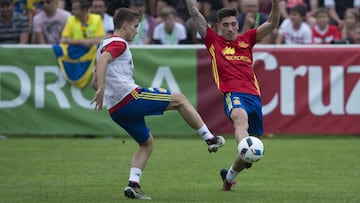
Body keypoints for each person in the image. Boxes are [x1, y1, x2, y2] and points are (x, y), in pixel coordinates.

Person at [90, 7, 225, 199]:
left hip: (115, 109)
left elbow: (94, 80)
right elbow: (104, 63)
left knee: (146, 143)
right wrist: (102, 88)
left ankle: (133, 184)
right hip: (130, 98)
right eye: (135, 27)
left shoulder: (102, 45)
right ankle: (210, 139)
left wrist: (101, 87)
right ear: (125, 25)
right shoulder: (118, 43)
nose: (137, 31)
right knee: (180, 99)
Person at [185, 0, 280, 191]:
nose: (230, 28)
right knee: (240, 119)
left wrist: (276, 3)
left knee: (249, 154)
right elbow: (195, 13)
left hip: (254, 97)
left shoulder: (246, 39)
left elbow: (272, 23)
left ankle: (228, 177)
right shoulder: (213, 41)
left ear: (238, 24)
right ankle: (245, 148)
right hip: (233, 94)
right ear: (219, 26)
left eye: (233, 24)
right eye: (225, 25)